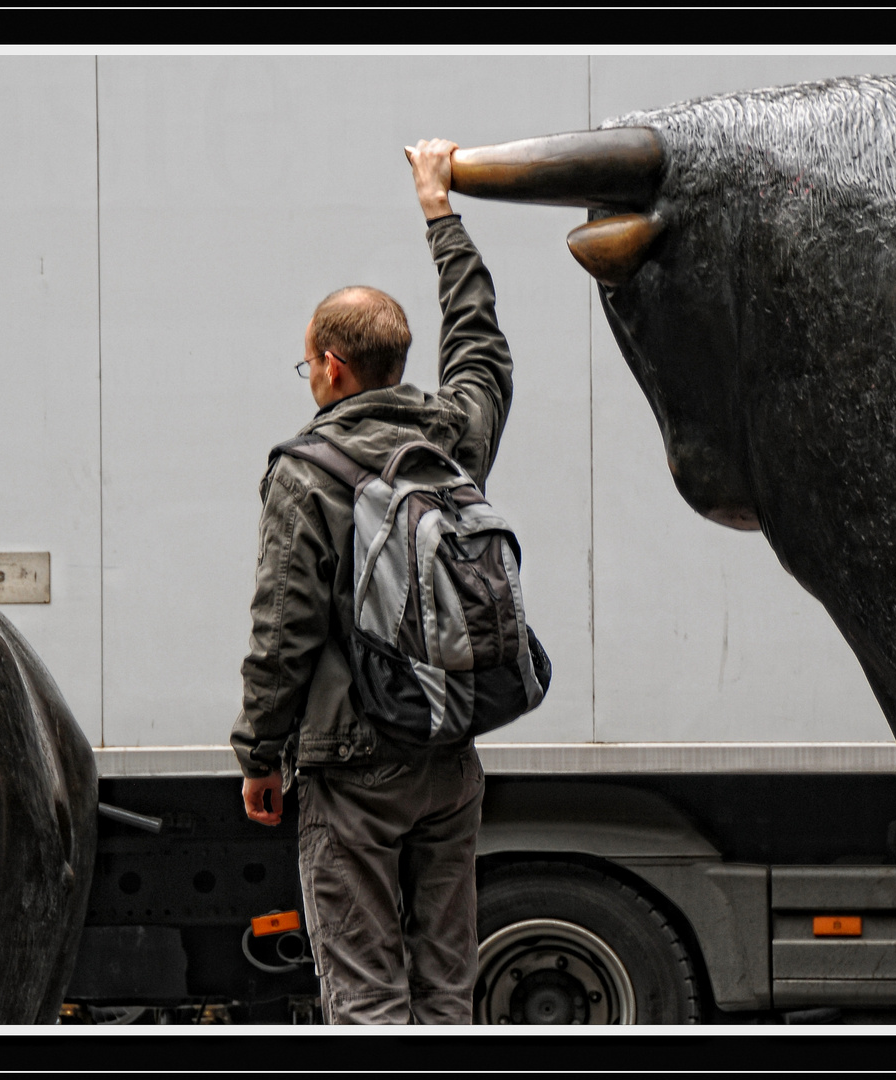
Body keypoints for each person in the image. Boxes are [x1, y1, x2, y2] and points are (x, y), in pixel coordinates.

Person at [230, 137, 517, 1025]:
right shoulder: (455, 440)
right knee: (444, 989)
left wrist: (259, 752)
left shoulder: (307, 469)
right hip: (449, 751)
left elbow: (284, 628)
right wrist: (442, 212)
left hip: (352, 767)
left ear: (329, 366)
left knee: (364, 997)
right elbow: (481, 345)